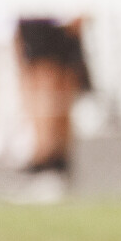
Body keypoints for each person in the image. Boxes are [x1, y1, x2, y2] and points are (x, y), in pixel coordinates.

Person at [13, 16, 89, 204]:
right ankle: (49, 164)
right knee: (45, 73)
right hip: (40, 13)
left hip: (53, 13)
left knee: (49, 74)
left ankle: (50, 163)